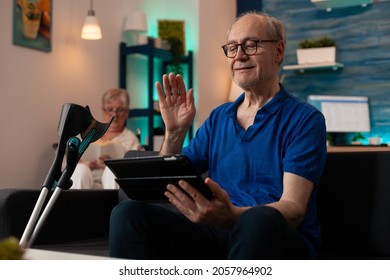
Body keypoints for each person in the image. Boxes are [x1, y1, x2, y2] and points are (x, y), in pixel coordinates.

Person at [109, 11, 327, 259]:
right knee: (128, 214)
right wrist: (174, 133)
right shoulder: (218, 118)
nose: (239, 55)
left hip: (275, 236)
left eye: (251, 44)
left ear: (278, 51)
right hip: (216, 234)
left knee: (259, 218)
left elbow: (294, 208)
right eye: (232, 47)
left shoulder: (305, 119)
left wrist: (232, 216)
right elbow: (168, 185)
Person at [71, 88, 142, 189]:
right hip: (87, 179)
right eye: (110, 109)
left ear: (126, 113)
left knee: (112, 171)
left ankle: (113, 204)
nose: (114, 114)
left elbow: (134, 170)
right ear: (103, 110)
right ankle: (77, 203)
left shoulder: (131, 139)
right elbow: (68, 160)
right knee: (80, 169)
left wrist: (110, 164)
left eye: (120, 110)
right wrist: (86, 163)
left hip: (112, 183)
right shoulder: (89, 133)